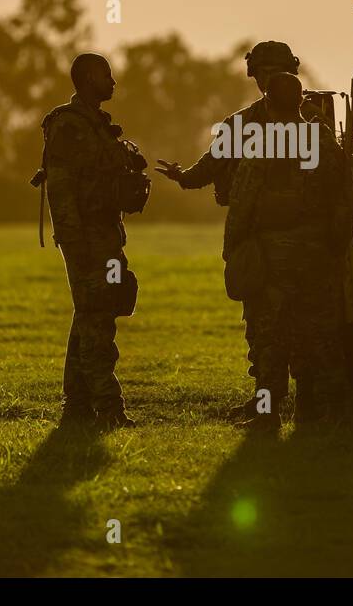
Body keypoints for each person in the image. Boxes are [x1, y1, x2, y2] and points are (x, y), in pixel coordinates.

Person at [155, 41, 314, 419]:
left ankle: (271, 405)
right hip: (298, 245)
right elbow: (207, 170)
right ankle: (300, 406)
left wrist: (182, 177)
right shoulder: (313, 124)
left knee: (267, 326)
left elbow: (206, 172)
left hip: (264, 242)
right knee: (293, 325)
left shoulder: (246, 125)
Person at [222, 72, 352, 431]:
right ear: (299, 102)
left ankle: (267, 414)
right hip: (318, 254)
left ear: (268, 103)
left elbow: (243, 200)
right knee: (321, 333)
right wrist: (335, 245)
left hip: (274, 254)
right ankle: (328, 410)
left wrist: (233, 247)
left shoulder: (264, 141)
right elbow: (344, 196)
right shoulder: (323, 139)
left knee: (270, 337)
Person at [40, 53, 138, 430]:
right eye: (105, 75)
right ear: (85, 78)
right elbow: (61, 190)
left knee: (91, 314)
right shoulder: (68, 125)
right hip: (86, 238)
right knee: (98, 318)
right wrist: (72, 241)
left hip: (107, 235)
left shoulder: (99, 125)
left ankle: (77, 405)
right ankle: (108, 408)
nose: (113, 81)